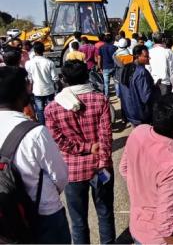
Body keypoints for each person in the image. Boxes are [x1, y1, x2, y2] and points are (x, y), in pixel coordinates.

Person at [45, 60, 115, 244]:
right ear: (87, 75)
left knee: (77, 221)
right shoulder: (100, 100)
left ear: (64, 79)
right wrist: (103, 161)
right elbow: (106, 136)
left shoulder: (52, 108)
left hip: (72, 171)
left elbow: (58, 140)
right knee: (105, 213)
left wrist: (83, 148)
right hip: (101, 167)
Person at [0, 66, 70, 244]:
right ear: (19, 93)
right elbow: (60, 177)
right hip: (43, 213)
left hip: (6, 216)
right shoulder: (35, 132)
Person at [119, 92, 173, 244]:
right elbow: (166, 224)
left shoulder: (138, 132)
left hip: (137, 226)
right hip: (158, 239)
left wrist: (143, 190)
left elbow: (124, 168)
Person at [119, 45, 155, 127]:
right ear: (137, 56)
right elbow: (145, 97)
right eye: (146, 56)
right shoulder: (141, 72)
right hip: (140, 114)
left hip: (129, 112)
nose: (149, 58)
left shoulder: (126, 68)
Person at [25, 42, 58, 125]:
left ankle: (42, 125)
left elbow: (30, 78)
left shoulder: (28, 63)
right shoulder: (49, 62)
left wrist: (30, 89)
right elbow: (55, 78)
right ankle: (53, 124)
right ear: (43, 50)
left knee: (40, 110)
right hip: (49, 90)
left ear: (34, 51)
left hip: (37, 90)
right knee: (51, 109)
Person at [98, 33, 117, 98]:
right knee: (116, 82)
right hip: (114, 67)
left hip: (105, 67)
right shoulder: (115, 47)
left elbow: (99, 58)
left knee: (106, 83)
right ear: (111, 40)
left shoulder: (101, 48)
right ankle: (118, 95)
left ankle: (107, 96)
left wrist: (99, 66)